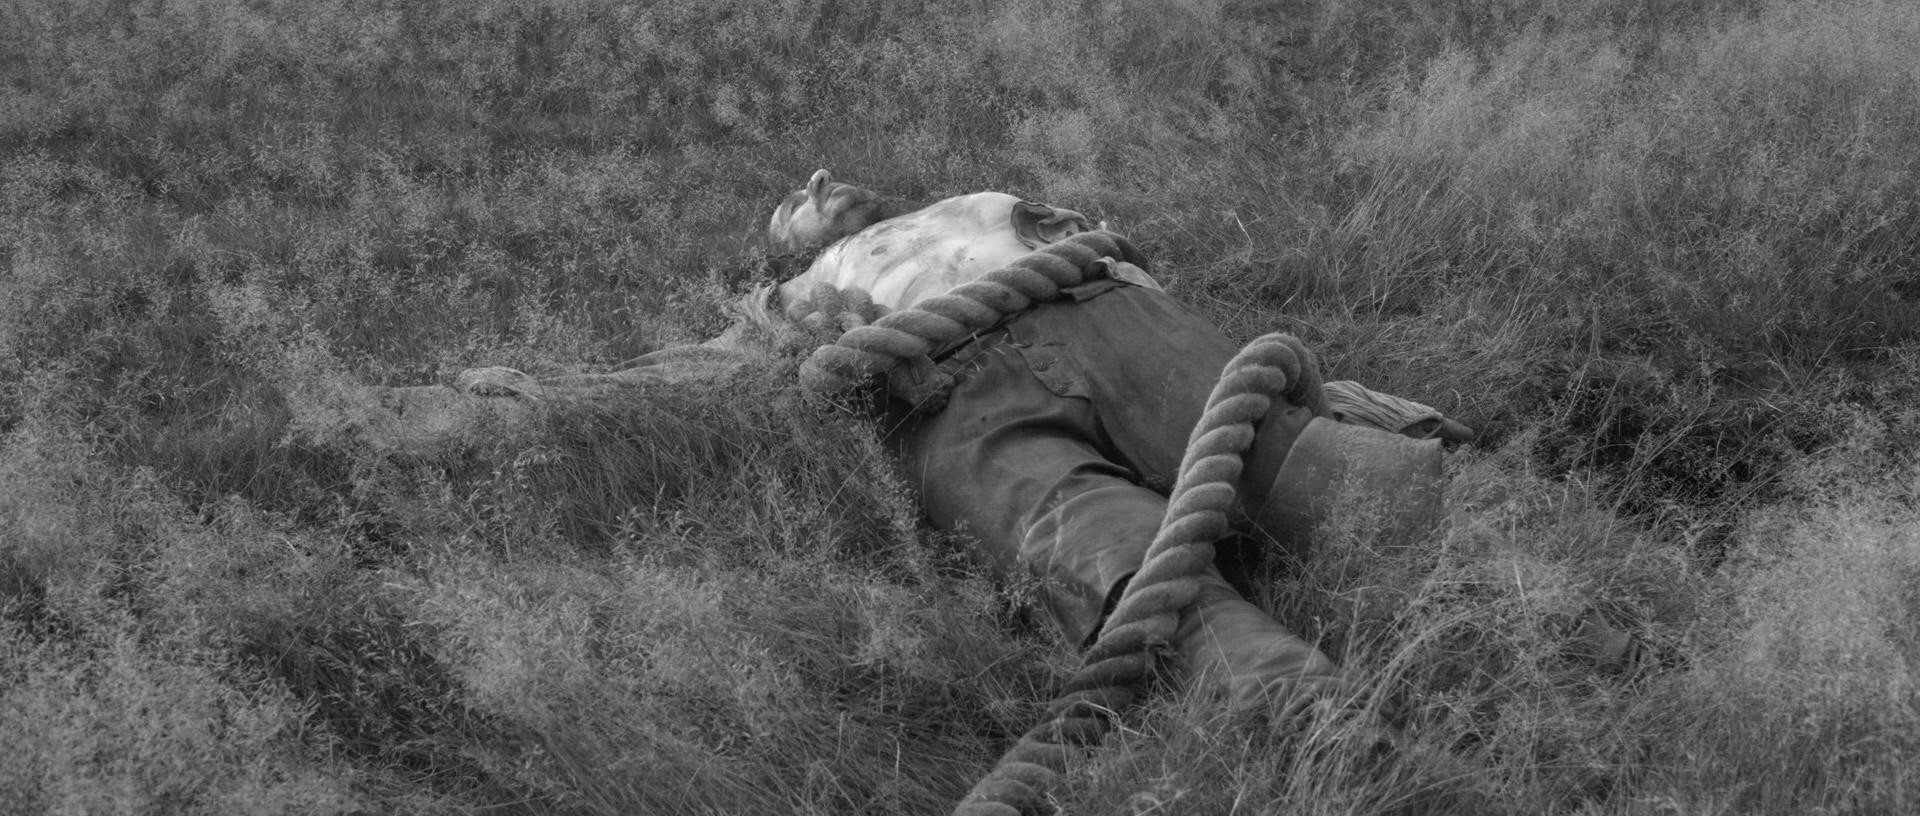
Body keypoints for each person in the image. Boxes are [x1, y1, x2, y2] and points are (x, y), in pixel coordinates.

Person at [765, 171, 1470, 710]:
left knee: (1295, 459)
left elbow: (1110, 255)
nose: (819, 180)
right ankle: (1308, 717)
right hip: (951, 405)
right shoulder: (781, 300)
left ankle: (1494, 552)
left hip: (1097, 315)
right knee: (1105, 558)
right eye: (794, 201)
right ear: (778, 258)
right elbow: (681, 378)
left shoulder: (970, 203)